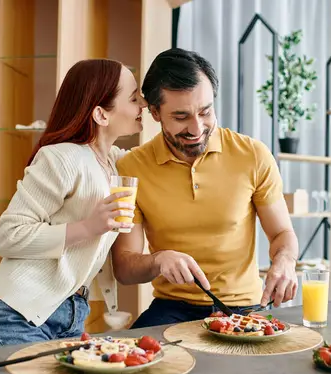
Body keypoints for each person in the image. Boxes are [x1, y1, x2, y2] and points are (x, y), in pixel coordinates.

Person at [112, 48, 300, 329]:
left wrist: (285, 262)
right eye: (180, 117)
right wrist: (158, 260)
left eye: (205, 111)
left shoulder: (253, 155)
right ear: (154, 112)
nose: (197, 128)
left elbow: (282, 233)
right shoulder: (131, 167)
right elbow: (125, 268)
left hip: (243, 306)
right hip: (172, 307)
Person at [0, 59, 147, 349]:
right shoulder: (61, 157)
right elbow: (8, 236)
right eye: (134, 97)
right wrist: (88, 227)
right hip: (15, 318)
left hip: (70, 318)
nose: (143, 105)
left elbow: (153, 154)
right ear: (101, 114)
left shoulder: (114, 162)